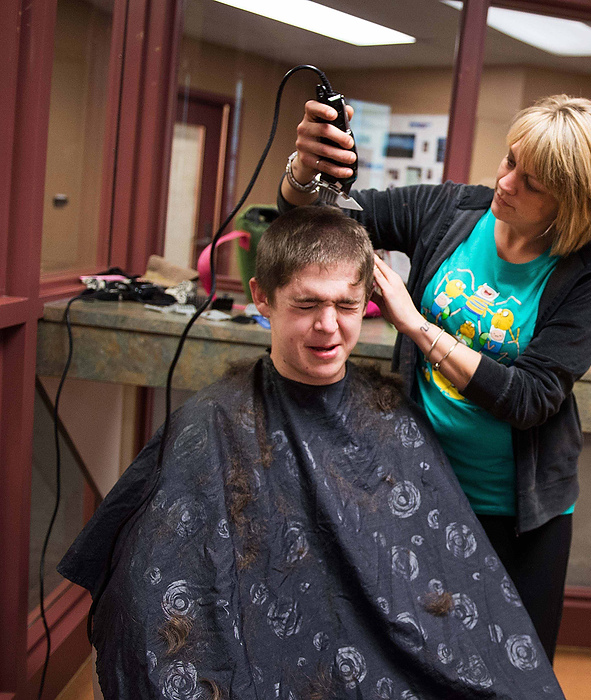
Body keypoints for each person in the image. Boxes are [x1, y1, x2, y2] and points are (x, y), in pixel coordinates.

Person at [58, 206, 564, 700]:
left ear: (368, 301)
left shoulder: (392, 422)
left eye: (346, 306)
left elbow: (446, 606)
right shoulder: (211, 423)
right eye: (306, 305)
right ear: (262, 297)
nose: (328, 326)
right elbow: (157, 598)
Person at [280, 95, 591, 660]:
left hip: (517, 520)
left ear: (571, 205)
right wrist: (304, 169)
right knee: (412, 658)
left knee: (515, 669)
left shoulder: (585, 277)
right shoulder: (451, 212)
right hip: (420, 492)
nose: (507, 182)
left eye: (532, 182)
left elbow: (530, 398)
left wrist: (417, 325)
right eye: (510, 160)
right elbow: (327, 220)